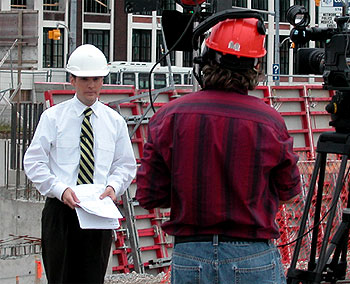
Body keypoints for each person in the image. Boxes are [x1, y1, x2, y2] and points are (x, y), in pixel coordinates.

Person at [135, 17, 302, 284]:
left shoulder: (170, 116)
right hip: (252, 256)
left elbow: (149, 195)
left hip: (190, 254)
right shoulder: (270, 121)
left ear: (206, 59)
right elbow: (289, 191)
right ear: (256, 67)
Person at [24, 44, 137, 284]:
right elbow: (34, 161)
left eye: (96, 79)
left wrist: (113, 187)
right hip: (61, 211)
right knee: (60, 277)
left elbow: (126, 165)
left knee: (92, 277)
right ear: (72, 79)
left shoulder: (114, 121)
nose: (91, 85)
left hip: (98, 211)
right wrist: (60, 189)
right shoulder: (53, 118)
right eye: (85, 79)